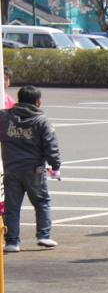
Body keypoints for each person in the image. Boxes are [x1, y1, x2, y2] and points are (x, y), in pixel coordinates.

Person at [1, 86, 61, 252]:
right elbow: (51, 145)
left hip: (11, 168)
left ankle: (12, 241)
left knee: (12, 206)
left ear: (18, 100)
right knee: (42, 202)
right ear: (38, 102)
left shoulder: (5, 118)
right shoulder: (41, 121)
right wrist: (55, 165)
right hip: (35, 169)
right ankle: (44, 235)